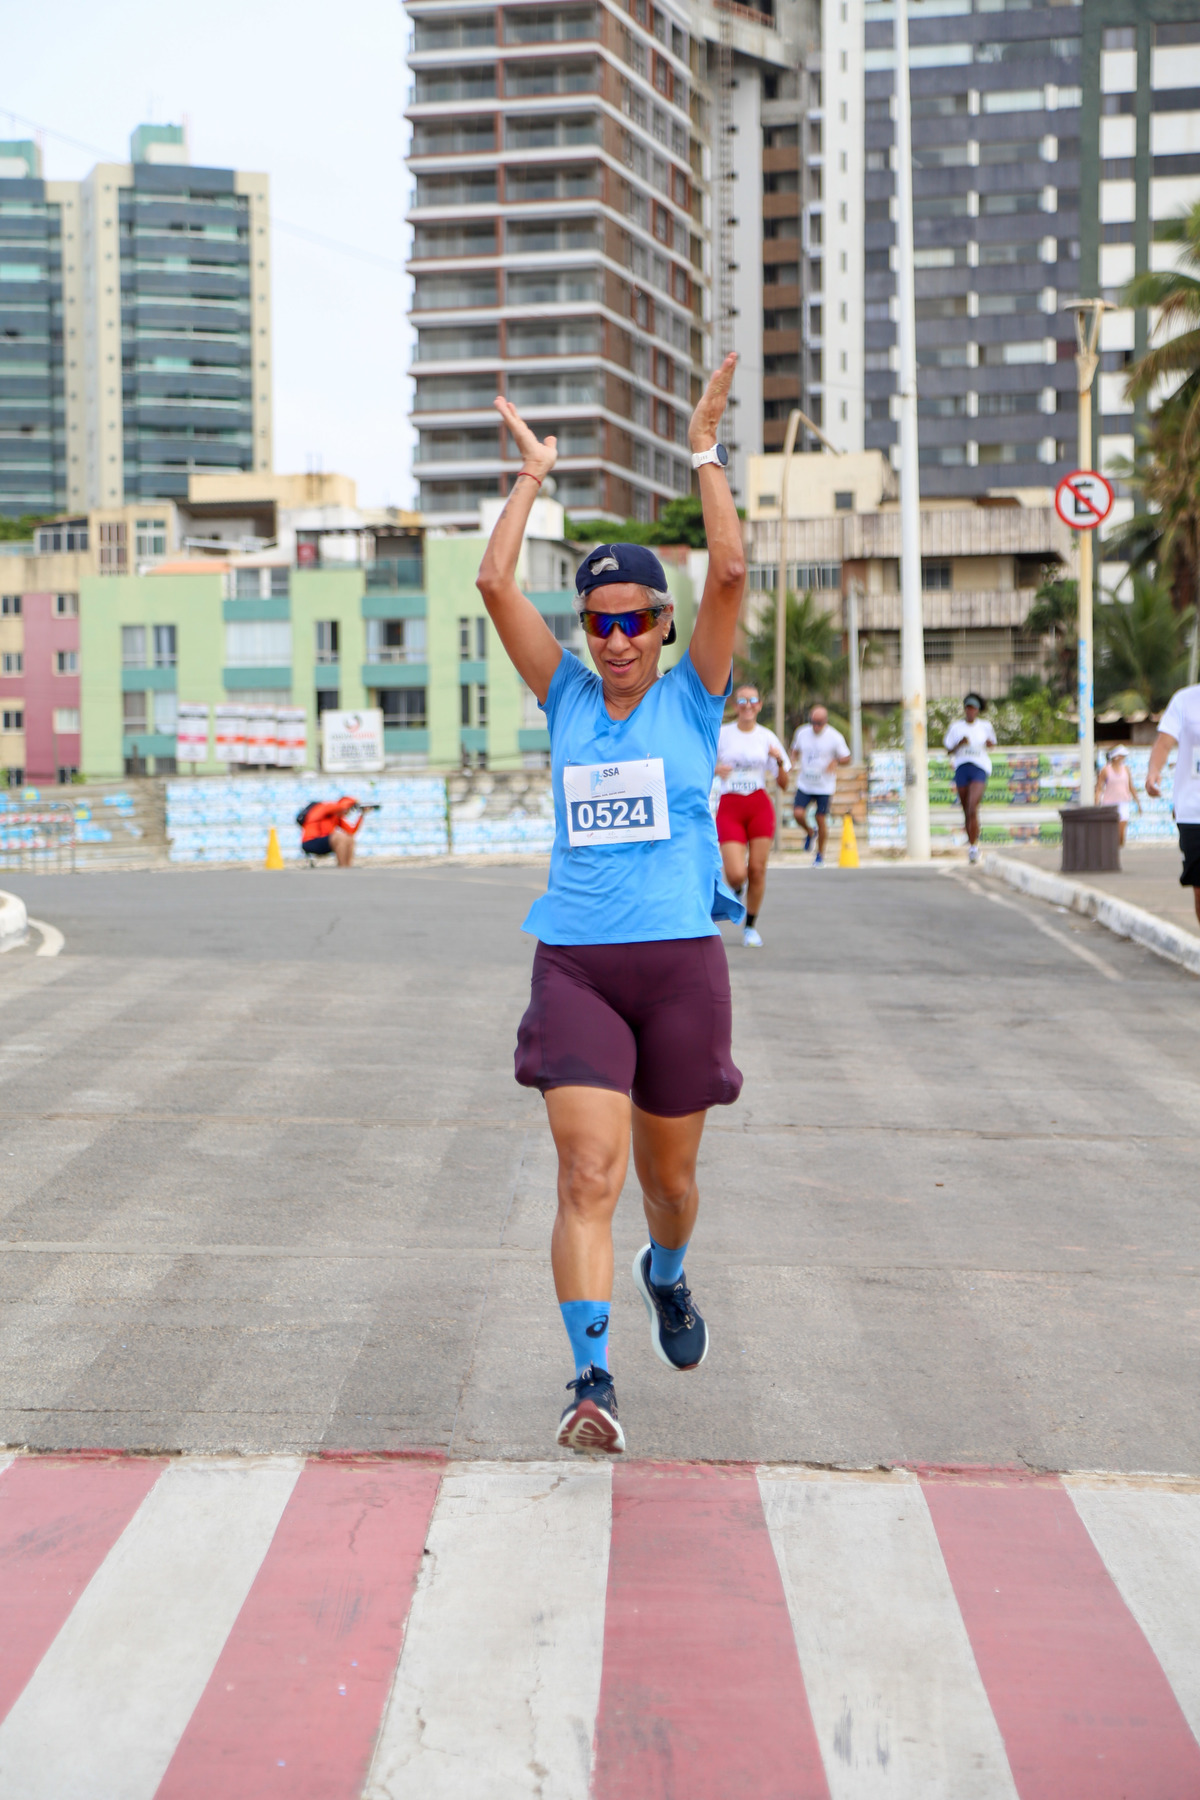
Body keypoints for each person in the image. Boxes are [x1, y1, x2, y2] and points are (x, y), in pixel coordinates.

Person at [476, 354, 746, 1455]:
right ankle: (591, 1380)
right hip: (579, 965)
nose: (617, 640)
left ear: (663, 625)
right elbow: (495, 586)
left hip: (680, 965)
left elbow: (730, 571)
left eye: (635, 621)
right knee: (588, 1172)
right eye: (600, 623)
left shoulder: (695, 698)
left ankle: (665, 1274)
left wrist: (704, 450)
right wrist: (531, 477)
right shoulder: (566, 697)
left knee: (668, 1186)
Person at [715, 685, 790, 946]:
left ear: (759, 705)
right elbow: (701, 763)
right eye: (742, 700)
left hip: (758, 805)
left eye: (753, 700)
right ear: (735, 705)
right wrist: (715, 769)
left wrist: (778, 761)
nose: (748, 705)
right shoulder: (722, 734)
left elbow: (784, 783)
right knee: (736, 874)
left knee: (757, 870)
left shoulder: (766, 736)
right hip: (730, 805)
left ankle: (750, 927)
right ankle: (736, 889)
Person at [1146, 680, 1200, 927]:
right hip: (1194, 812)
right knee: (1199, 889)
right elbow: (1164, 743)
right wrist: (1153, 771)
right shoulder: (1184, 700)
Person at [790, 703, 850, 864]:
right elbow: (795, 750)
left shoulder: (835, 737)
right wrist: (792, 761)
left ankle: (820, 854)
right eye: (813, 722)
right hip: (805, 783)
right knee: (798, 814)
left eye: (819, 723)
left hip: (824, 785)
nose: (816, 726)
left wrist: (836, 761)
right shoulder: (802, 732)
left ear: (826, 721)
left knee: (821, 818)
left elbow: (847, 757)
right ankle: (810, 832)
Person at [944, 692, 997, 865]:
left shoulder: (985, 726)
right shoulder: (956, 727)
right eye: (968, 708)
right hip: (962, 767)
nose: (970, 711)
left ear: (978, 710)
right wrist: (959, 744)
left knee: (973, 806)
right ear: (965, 709)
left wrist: (989, 744)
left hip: (979, 767)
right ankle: (972, 845)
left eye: (973, 708)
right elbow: (948, 749)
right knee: (966, 809)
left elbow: (992, 744)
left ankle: (974, 846)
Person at [298, 795, 371, 867]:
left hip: (325, 843)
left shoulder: (337, 817)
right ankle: (342, 867)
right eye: (349, 808)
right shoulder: (325, 807)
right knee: (339, 837)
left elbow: (351, 831)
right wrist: (354, 801)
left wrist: (362, 815)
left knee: (349, 838)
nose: (348, 812)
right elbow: (341, 806)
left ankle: (347, 867)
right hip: (310, 842)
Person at [1096, 745, 1141, 847]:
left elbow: (1131, 787)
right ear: (1116, 757)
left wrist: (1138, 803)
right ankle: (1111, 850)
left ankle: (1118, 848)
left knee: (1121, 833)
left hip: (1123, 802)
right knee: (1111, 830)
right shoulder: (1105, 770)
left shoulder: (1126, 769)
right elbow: (1099, 788)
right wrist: (1097, 802)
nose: (1123, 758)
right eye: (1122, 756)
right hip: (1109, 803)